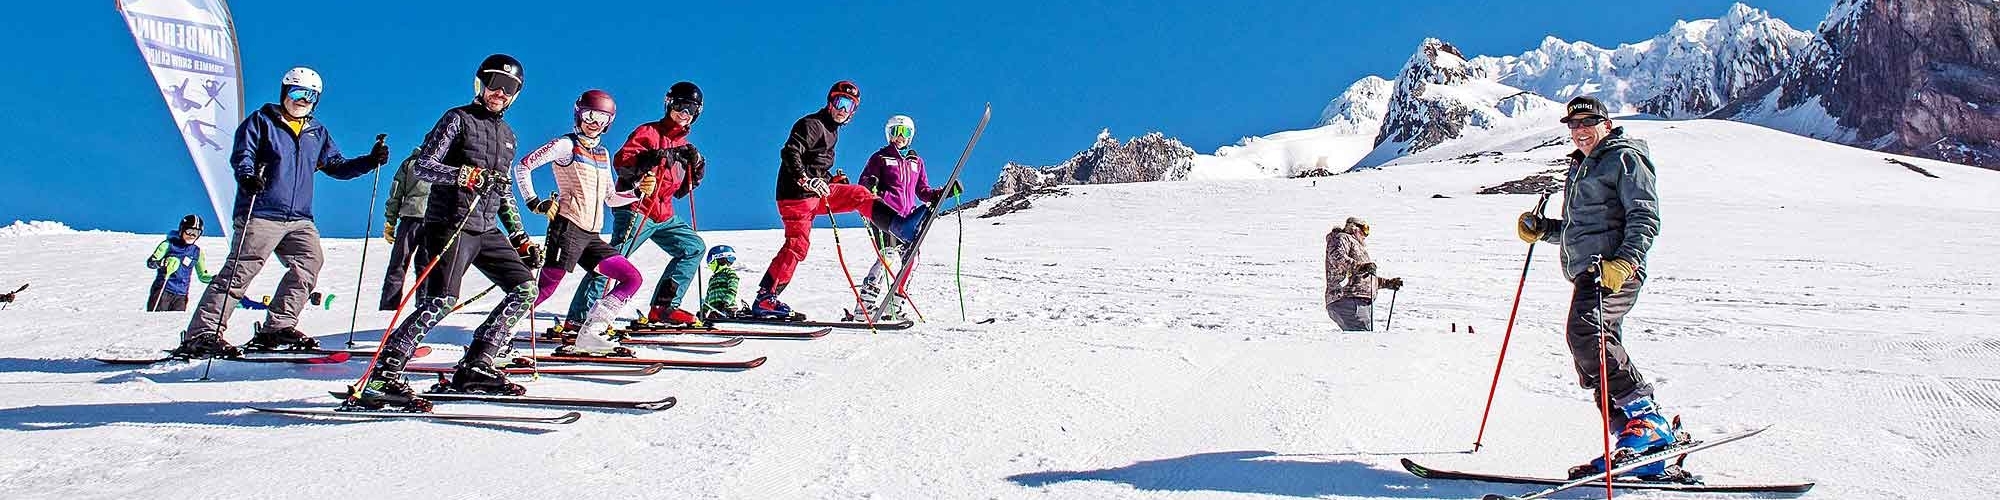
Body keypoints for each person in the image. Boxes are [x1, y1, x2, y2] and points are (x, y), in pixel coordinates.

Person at [351, 54, 536, 410]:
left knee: (526, 288)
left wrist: (520, 237)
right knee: (441, 300)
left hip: (486, 227)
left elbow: (504, 191)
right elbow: (424, 166)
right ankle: (382, 377)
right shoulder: (457, 119)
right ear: (479, 84)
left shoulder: (509, 135)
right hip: (450, 223)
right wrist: (461, 176)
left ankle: (477, 365)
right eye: (494, 83)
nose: (500, 92)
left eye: (509, 87)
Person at [175, 66, 390, 357]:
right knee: (241, 271)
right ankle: (203, 333)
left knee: (309, 263)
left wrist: (369, 161)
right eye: (298, 92)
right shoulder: (262, 122)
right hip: (262, 210)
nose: (303, 100)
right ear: (284, 92)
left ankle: (277, 327)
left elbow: (336, 166)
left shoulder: (317, 132)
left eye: (311, 96)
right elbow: (244, 155)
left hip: (299, 218)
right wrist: (248, 177)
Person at [1515, 95, 1677, 481]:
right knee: (1594, 353)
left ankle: (1648, 421)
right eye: (1573, 124)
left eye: (1588, 122)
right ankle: (1640, 446)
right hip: (1589, 272)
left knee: (1585, 334)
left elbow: (1644, 216)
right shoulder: (1582, 166)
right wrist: (1545, 230)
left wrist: (1625, 262)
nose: (1580, 130)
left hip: (1613, 270)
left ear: (1606, 123)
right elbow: (1582, 228)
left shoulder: (1623, 157)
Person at [566, 81, 707, 329]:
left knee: (693, 247)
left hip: (663, 215)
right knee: (613, 261)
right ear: (668, 104)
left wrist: (696, 167)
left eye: (690, 109)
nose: (684, 114)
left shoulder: (683, 145)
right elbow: (623, 163)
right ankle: (578, 319)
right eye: (680, 106)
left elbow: (683, 191)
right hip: (636, 209)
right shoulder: (648, 132)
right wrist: (654, 157)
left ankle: (664, 308)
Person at [515, 89, 646, 355]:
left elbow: (610, 198)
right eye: (589, 115)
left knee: (631, 278)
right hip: (567, 228)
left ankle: (592, 333)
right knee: (546, 289)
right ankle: (498, 334)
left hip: (591, 236)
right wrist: (533, 201)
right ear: (578, 115)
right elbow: (523, 166)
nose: (594, 122)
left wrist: (636, 192)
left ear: (609, 122)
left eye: (602, 117)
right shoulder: (566, 145)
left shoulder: (602, 154)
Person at [749, 80, 894, 319]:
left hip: (816, 192)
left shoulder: (832, 132)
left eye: (849, 105)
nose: (842, 109)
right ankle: (766, 298)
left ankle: (898, 226)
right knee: (798, 245)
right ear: (829, 102)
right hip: (796, 196)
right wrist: (805, 179)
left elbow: (816, 165)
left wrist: (830, 178)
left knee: (859, 194)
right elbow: (790, 152)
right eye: (839, 102)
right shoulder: (812, 125)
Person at [849, 115, 961, 321]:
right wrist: (870, 183)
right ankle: (864, 306)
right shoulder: (880, 158)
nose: (900, 136)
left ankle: (895, 304)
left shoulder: (916, 162)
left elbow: (923, 191)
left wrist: (943, 193)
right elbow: (864, 183)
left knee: (912, 260)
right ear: (888, 134)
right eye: (895, 131)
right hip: (885, 214)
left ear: (911, 136)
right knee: (889, 256)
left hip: (909, 218)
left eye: (905, 132)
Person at [1323, 217, 1402, 331]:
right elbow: (1337, 258)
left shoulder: (1355, 245)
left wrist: (1387, 283)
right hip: (1348, 298)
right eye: (1365, 229)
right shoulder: (1342, 238)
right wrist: (1361, 266)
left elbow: (1362, 277)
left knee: (1361, 338)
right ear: (1354, 227)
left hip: (1355, 300)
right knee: (1362, 339)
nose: (1366, 235)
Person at [380, 148, 431, 310]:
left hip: (410, 218)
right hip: (433, 219)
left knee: (399, 261)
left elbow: (396, 193)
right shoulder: (444, 163)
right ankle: (424, 301)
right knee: (425, 263)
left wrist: (390, 221)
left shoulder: (410, 163)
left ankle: (389, 303)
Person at [146, 215, 214, 312]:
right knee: (156, 321)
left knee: (175, 323)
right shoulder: (169, 245)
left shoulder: (196, 252)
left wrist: (214, 279)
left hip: (181, 295)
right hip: (163, 290)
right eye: (189, 231)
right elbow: (151, 263)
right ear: (182, 230)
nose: (192, 235)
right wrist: (163, 262)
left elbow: (203, 276)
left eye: (196, 233)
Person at [701, 245, 743, 317]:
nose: (709, 263)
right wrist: (703, 311)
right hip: (715, 310)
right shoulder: (712, 278)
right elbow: (708, 296)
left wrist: (726, 302)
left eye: (711, 260)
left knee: (717, 316)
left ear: (720, 259)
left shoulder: (729, 272)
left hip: (728, 308)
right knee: (712, 317)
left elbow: (733, 288)